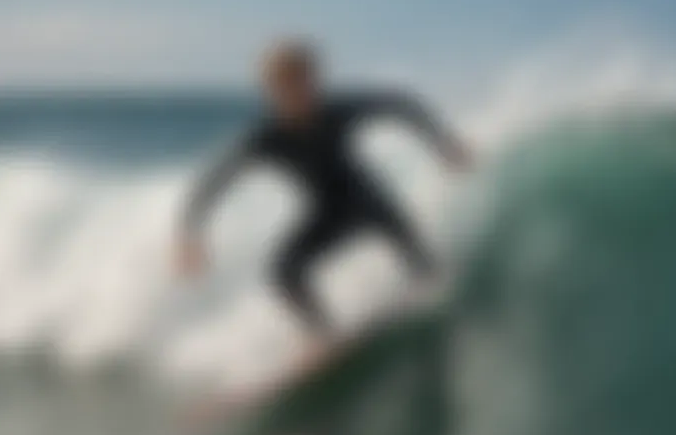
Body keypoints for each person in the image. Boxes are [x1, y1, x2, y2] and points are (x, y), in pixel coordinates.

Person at [176, 39, 472, 339]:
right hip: (328, 215)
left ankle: (445, 292)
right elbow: (213, 182)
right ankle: (324, 334)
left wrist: (443, 142)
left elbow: (400, 104)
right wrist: (190, 235)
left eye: (302, 81)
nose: (296, 92)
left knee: (428, 272)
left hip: (370, 202)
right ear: (271, 91)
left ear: (315, 80)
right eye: (284, 86)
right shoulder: (267, 139)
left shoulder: (339, 112)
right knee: (283, 272)